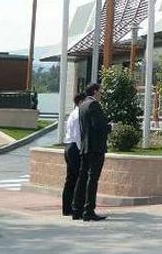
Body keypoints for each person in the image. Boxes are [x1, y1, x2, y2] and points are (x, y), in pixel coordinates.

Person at [72, 83, 111, 221]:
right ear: (95, 91)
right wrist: (109, 126)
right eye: (101, 91)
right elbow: (98, 126)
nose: (101, 94)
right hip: (95, 148)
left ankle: (76, 209)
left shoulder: (82, 105)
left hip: (85, 147)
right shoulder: (94, 105)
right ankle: (89, 210)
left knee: (82, 177)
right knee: (92, 179)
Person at [61, 93, 86, 216]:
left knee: (70, 179)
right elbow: (77, 136)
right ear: (81, 102)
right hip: (75, 148)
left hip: (69, 147)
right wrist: (82, 151)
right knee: (78, 178)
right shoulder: (78, 115)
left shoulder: (73, 113)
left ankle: (67, 209)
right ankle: (76, 207)